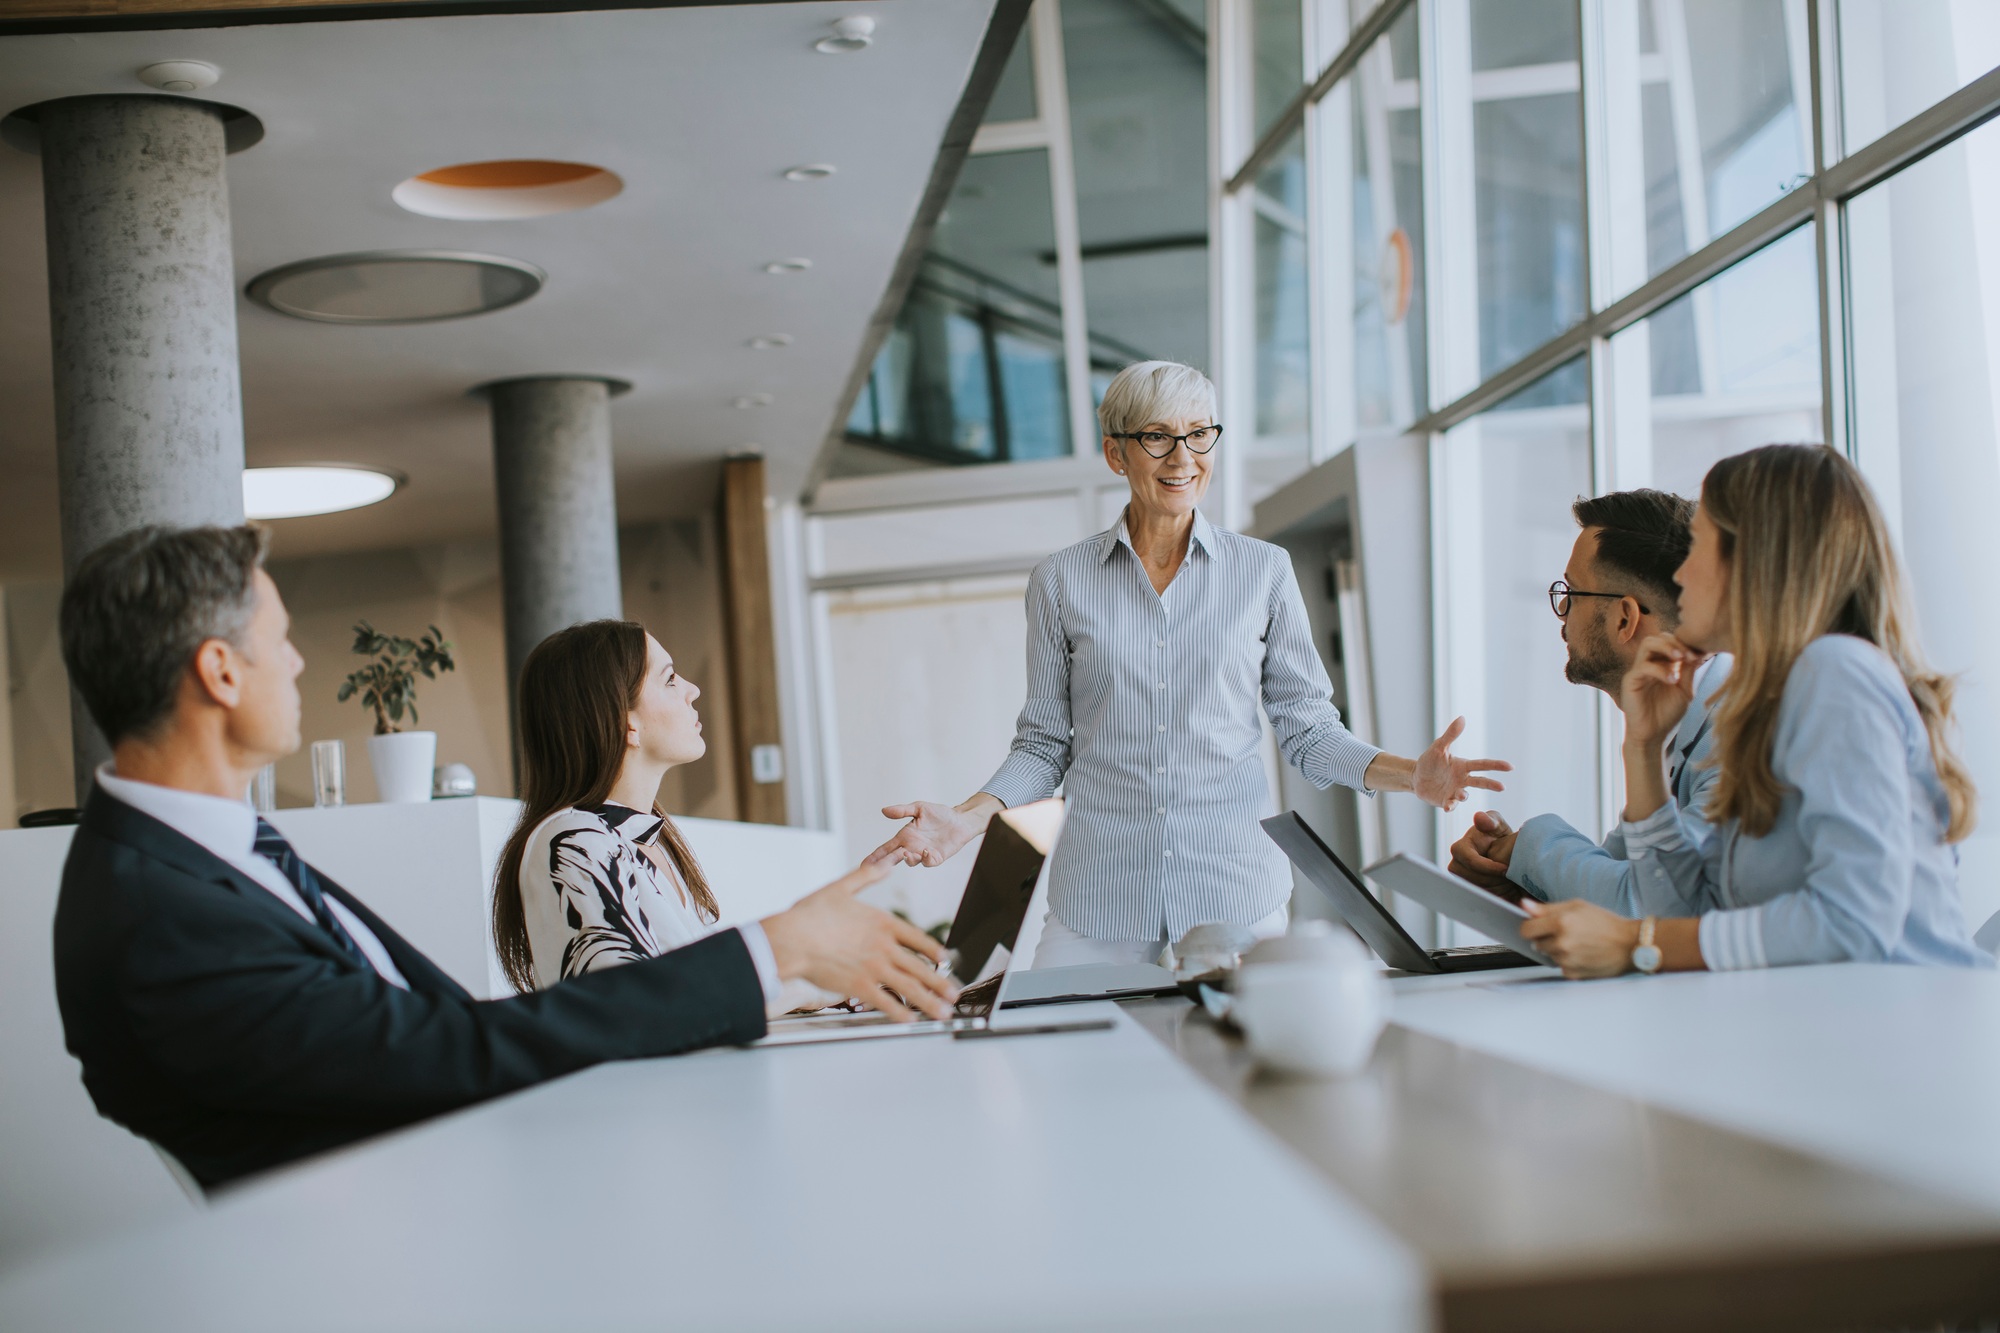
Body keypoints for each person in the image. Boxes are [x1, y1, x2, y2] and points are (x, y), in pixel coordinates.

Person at [53, 525, 956, 1190]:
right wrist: (778, 949)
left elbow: (427, 1035)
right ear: (219, 672)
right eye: (280, 639)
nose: (296, 663)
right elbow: (432, 1057)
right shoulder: (157, 911)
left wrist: (798, 946)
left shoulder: (215, 855)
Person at [866, 360, 1509, 968]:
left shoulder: (1264, 572)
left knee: (1241, 1073)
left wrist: (1410, 776)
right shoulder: (1060, 581)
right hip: (1099, 897)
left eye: (1200, 435)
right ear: (1116, 452)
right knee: (1063, 1068)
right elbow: (1042, 745)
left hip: (1234, 892)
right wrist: (966, 820)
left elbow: (1309, 733)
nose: (1184, 458)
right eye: (1158, 437)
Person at [1520, 444, 1992, 976]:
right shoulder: (1769, 703)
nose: (1680, 575)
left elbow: (1854, 920)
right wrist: (1644, 747)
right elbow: (1681, 912)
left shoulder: (1835, 671)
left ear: (1753, 562)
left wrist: (1635, 943)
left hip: (1909, 1041)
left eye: (1697, 546)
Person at [493, 619, 820, 1013]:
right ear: (624, 719)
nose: (692, 690)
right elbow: (644, 1012)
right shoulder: (575, 839)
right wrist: (809, 984)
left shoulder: (642, 839)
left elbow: (700, 990)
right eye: (669, 680)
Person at [1448, 489, 1731, 910]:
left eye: (1572, 593)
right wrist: (1515, 876)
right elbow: (1625, 874)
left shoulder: (1736, 737)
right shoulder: (1680, 729)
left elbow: (1646, 904)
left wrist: (1530, 845)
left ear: (1624, 618)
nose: (1562, 615)